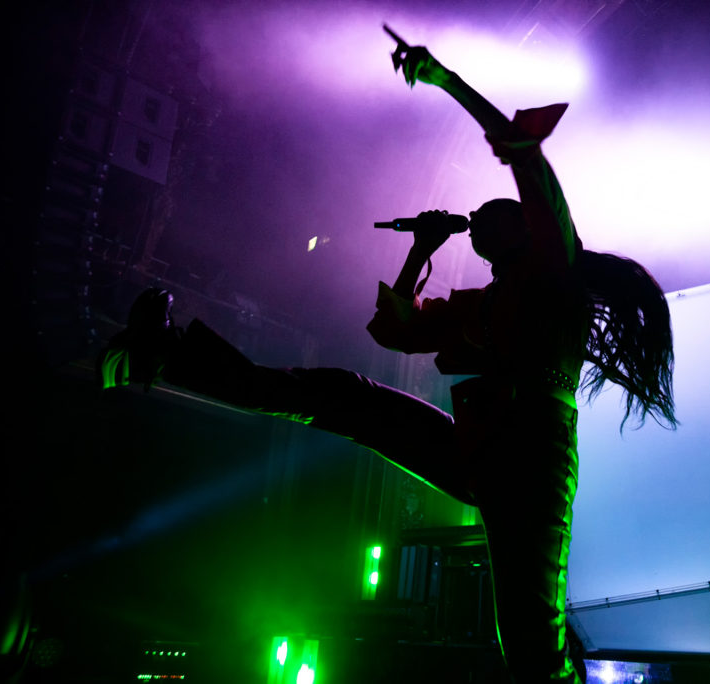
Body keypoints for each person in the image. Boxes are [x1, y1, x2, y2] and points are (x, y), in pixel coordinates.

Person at [99, 34, 676, 684]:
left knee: (530, 651)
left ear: (525, 226)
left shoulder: (556, 265)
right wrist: (420, 250)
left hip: (532, 461)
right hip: (481, 446)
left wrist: (445, 78)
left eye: (490, 212)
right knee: (340, 394)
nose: (475, 216)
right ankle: (162, 358)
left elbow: (522, 151)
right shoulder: (484, 304)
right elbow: (393, 333)